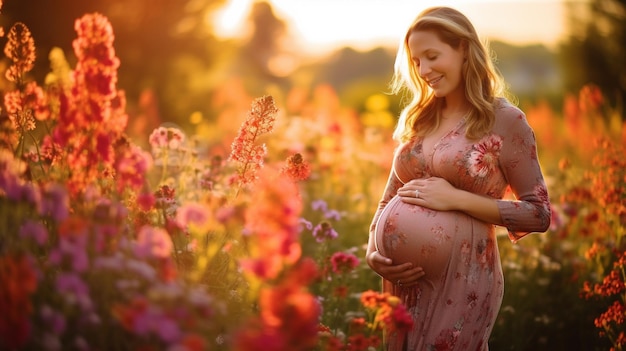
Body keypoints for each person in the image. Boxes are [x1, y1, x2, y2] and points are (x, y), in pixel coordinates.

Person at [365, 6, 551, 351]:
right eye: (417, 61)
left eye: (432, 56)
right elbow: (387, 198)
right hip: (402, 285)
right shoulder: (418, 120)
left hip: (464, 280)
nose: (424, 70)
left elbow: (539, 213)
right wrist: (372, 253)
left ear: (464, 49)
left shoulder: (506, 121)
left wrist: (456, 199)